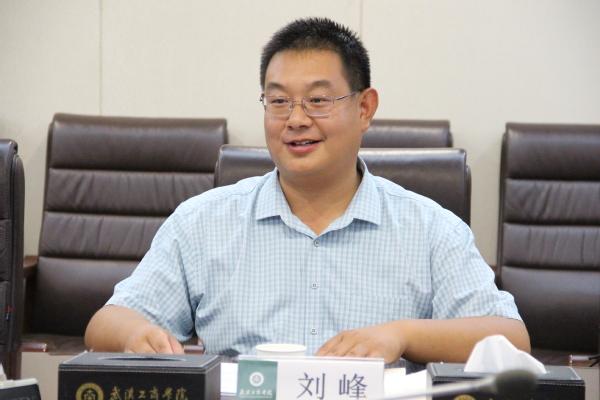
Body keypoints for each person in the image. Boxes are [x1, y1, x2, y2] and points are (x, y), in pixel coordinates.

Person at [85, 17, 529, 372]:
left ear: (364, 108)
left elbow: (511, 340)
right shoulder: (202, 222)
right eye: (279, 101)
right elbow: (107, 322)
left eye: (318, 100)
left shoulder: (430, 228)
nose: (295, 119)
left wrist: (401, 335)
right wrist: (134, 335)